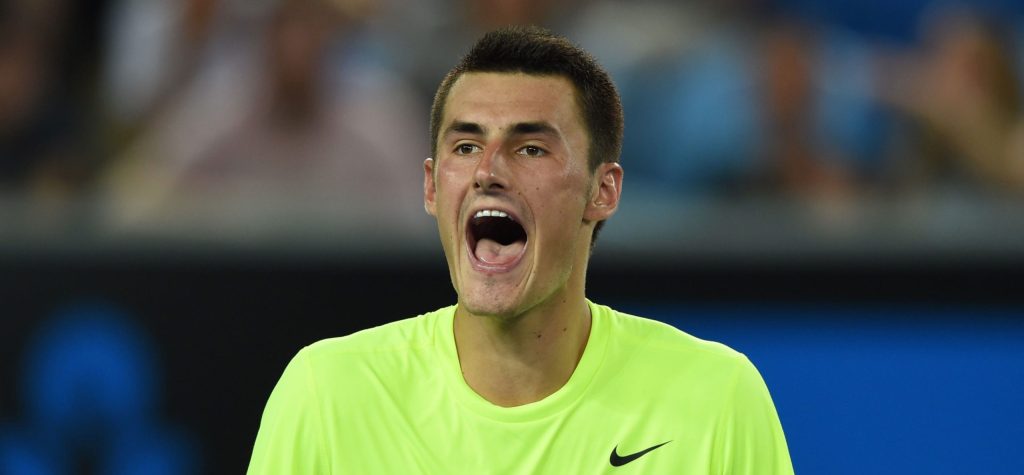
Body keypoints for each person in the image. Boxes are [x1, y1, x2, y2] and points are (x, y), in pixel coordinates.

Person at [248, 26, 793, 474]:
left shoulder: (717, 398)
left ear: (603, 191)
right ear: (432, 187)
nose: (488, 171)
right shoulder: (326, 394)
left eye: (530, 148)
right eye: (466, 146)